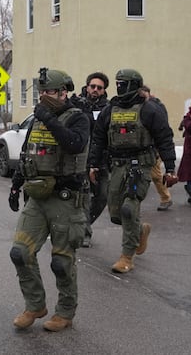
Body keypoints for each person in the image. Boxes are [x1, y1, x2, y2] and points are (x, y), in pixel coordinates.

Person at [8, 68, 90, 332]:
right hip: (36, 196)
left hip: (65, 198)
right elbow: (27, 153)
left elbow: (75, 144)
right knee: (20, 252)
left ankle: (65, 311)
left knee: (61, 261)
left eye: (49, 92)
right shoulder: (37, 119)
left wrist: (51, 120)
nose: (44, 96)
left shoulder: (78, 118)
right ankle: (35, 305)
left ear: (63, 92)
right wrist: (15, 184)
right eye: (41, 92)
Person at [88, 69, 177, 274]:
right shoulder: (110, 110)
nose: (119, 87)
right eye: (117, 83)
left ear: (134, 85)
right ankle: (139, 231)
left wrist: (170, 168)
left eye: (123, 83)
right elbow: (99, 138)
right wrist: (94, 164)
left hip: (141, 166)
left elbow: (164, 137)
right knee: (116, 213)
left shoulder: (149, 109)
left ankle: (126, 256)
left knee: (129, 208)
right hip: (117, 165)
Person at [69, 72, 110, 248]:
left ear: (104, 90)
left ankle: (84, 223)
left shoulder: (108, 108)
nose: (95, 90)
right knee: (84, 196)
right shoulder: (76, 105)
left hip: (101, 159)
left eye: (99, 88)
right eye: (92, 86)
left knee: (102, 197)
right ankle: (84, 232)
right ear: (86, 87)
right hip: (81, 159)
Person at [139, 86, 173, 211]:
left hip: (153, 147)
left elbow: (162, 129)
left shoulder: (156, 108)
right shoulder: (139, 107)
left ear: (149, 94)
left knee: (155, 175)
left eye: (144, 95)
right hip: (141, 147)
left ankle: (166, 198)